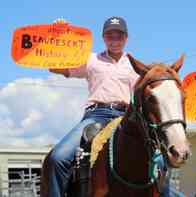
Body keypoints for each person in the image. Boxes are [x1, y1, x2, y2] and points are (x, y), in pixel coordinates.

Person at [47, 16, 139, 197]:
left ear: (126, 38)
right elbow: (55, 67)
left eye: (119, 35)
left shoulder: (134, 65)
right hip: (96, 115)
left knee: (158, 162)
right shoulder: (91, 59)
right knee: (58, 158)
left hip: (126, 117)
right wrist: (59, 35)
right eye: (109, 35)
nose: (114, 39)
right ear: (103, 38)